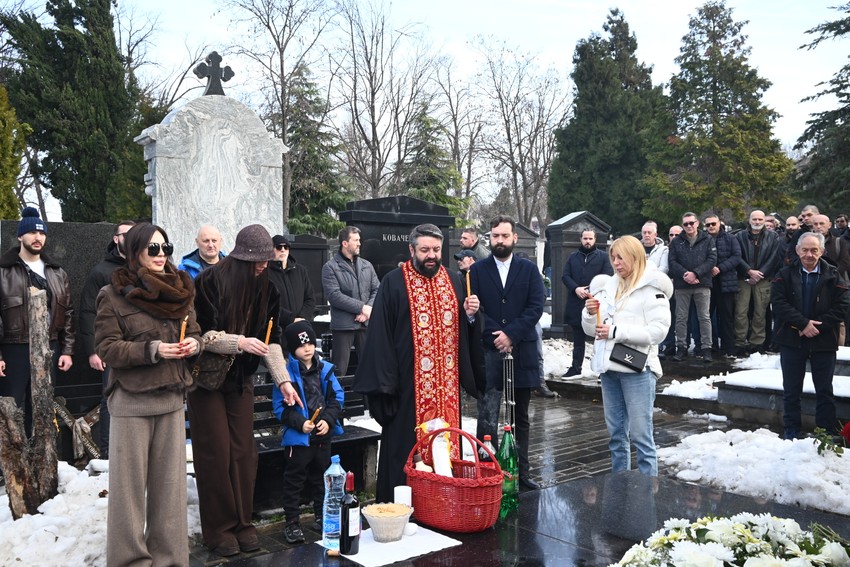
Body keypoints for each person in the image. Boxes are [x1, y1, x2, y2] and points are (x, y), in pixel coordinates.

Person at [188, 224, 302, 557]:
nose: (263, 266)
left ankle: (242, 522)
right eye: (256, 261)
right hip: (207, 380)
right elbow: (199, 335)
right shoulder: (209, 282)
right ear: (238, 257)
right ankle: (219, 529)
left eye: (267, 260)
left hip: (240, 381)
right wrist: (237, 342)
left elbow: (272, 341)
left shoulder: (270, 290)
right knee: (216, 453)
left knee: (243, 453)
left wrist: (283, 381)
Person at [94, 222, 201, 566]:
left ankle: (170, 560)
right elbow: (108, 348)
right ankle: (130, 562)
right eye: (152, 248)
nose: (160, 255)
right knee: (127, 497)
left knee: (170, 493)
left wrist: (194, 344)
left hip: (171, 400)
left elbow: (196, 330)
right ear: (134, 251)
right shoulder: (112, 294)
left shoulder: (181, 290)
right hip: (131, 402)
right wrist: (154, 349)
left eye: (165, 248)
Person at [354, 223, 483, 503]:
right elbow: (380, 337)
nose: (431, 256)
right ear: (411, 249)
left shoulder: (454, 280)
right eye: (425, 250)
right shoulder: (394, 282)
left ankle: (445, 504)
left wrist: (472, 316)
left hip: (446, 390)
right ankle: (405, 508)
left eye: (436, 250)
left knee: (448, 447)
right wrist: (386, 387)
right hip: (407, 389)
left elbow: (465, 331)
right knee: (405, 454)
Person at [583, 235, 672, 476]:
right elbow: (591, 330)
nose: (616, 262)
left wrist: (616, 332)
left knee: (642, 437)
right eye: (613, 257)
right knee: (616, 436)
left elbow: (658, 332)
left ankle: (646, 495)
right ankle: (620, 487)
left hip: (638, 371)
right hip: (609, 369)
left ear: (635, 257)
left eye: (621, 257)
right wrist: (591, 314)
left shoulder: (652, 290)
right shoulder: (607, 287)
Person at [471, 215, 545, 490]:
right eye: (495, 236)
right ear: (489, 238)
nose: (499, 241)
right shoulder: (477, 271)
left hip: (520, 350)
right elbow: (477, 308)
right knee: (488, 413)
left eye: (504, 236)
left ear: (515, 238)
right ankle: (487, 471)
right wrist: (497, 335)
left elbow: (535, 307)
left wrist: (511, 334)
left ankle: (521, 471)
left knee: (520, 415)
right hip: (489, 351)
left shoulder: (528, 270)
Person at [0, 207, 74, 435]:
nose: (38, 237)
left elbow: (67, 312)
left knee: (40, 408)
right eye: (31, 232)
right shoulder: (3, 271)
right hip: (15, 347)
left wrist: (67, 350)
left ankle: (38, 462)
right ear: (20, 236)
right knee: (9, 408)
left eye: (41, 233)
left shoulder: (57, 272)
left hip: (48, 347)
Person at [771, 232, 849, 440]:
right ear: (797, 250)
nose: (809, 254)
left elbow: (842, 306)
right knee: (791, 389)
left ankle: (826, 431)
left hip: (823, 340)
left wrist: (818, 327)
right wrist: (803, 323)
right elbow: (778, 304)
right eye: (804, 250)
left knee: (824, 389)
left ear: (822, 251)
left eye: (814, 250)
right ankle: (792, 430)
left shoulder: (833, 275)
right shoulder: (784, 274)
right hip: (791, 338)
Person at [272, 321, 343, 544]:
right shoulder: (284, 375)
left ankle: (322, 516)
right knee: (294, 480)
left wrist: (328, 421)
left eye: (311, 343)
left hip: (323, 435)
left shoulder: (326, 369)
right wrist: (300, 423)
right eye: (302, 346)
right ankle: (292, 523)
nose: (307, 348)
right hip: (299, 437)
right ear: (292, 349)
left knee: (323, 478)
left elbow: (336, 399)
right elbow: (280, 408)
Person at [77, 219, 135, 458]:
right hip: (110, 346)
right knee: (111, 396)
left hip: (140, 345)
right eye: (125, 234)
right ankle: (108, 453)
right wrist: (93, 350)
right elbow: (88, 311)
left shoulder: (143, 266)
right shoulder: (101, 271)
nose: (130, 239)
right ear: (116, 239)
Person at [321, 226, 380, 376]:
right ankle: (337, 400)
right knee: (340, 370)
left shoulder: (367, 265)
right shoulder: (330, 267)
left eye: (359, 240)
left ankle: (369, 400)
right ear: (345, 243)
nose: (359, 243)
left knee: (370, 368)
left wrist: (367, 311)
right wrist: (361, 308)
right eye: (356, 240)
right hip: (343, 326)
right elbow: (334, 296)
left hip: (365, 324)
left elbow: (377, 290)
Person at [561, 229, 613, 377]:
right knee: (578, 339)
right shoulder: (573, 257)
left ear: (595, 239)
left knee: (599, 338)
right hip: (576, 301)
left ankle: (601, 370)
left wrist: (590, 290)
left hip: (596, 302)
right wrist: (576, 288)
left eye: (590, 238)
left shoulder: (603, 257)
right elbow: (565, 276)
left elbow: (607, 276)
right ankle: (575, 367)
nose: (587, 241)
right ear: (581, 239)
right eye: (585, 238)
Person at [668, 212, 716, 362]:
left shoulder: (707, 239)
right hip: (682, 284)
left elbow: (712, 259)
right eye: (686, 224)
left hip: (702, 283)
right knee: (681, 318)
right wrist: (685, 275)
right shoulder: (676, 242)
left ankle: (706, 348)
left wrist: (696, 273)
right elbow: (672, 262)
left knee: (704, 317)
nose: (689, 226)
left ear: (697, 223)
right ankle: (681, 347)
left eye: (691, 223)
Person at [735, 210, 782, 355]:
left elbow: (774, 257)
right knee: (740, 311)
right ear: (749, 220)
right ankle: (740, 342)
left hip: (763, 278)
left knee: (760, 312)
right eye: (754, 219)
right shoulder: (740, 236)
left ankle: (757, 342)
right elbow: (737, 255)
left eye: (760, 219)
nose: (757, 222)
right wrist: (749, 271)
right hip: (744, 278)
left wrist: (759, 274)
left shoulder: (773, 236)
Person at [704, 215, 741, 359]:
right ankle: (710, 346)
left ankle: (729, 348)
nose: (711, 227)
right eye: (708, 225)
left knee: (726, 317)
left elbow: (737, 257)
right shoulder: (703, 239)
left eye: (713, 223)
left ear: (719, 224)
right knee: (707, 317)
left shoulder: (731, 238)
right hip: (708, 282)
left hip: (726, 282)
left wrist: (720, 268)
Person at [268, 234, 316, 328]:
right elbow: (267, 304)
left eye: (286, 247)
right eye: (278, 247)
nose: (283, 250)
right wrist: (290, 319)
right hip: (277, 328)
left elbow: (310, 298)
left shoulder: (300, 270)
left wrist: (301, 318)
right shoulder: (266, 273)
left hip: (300, 326)